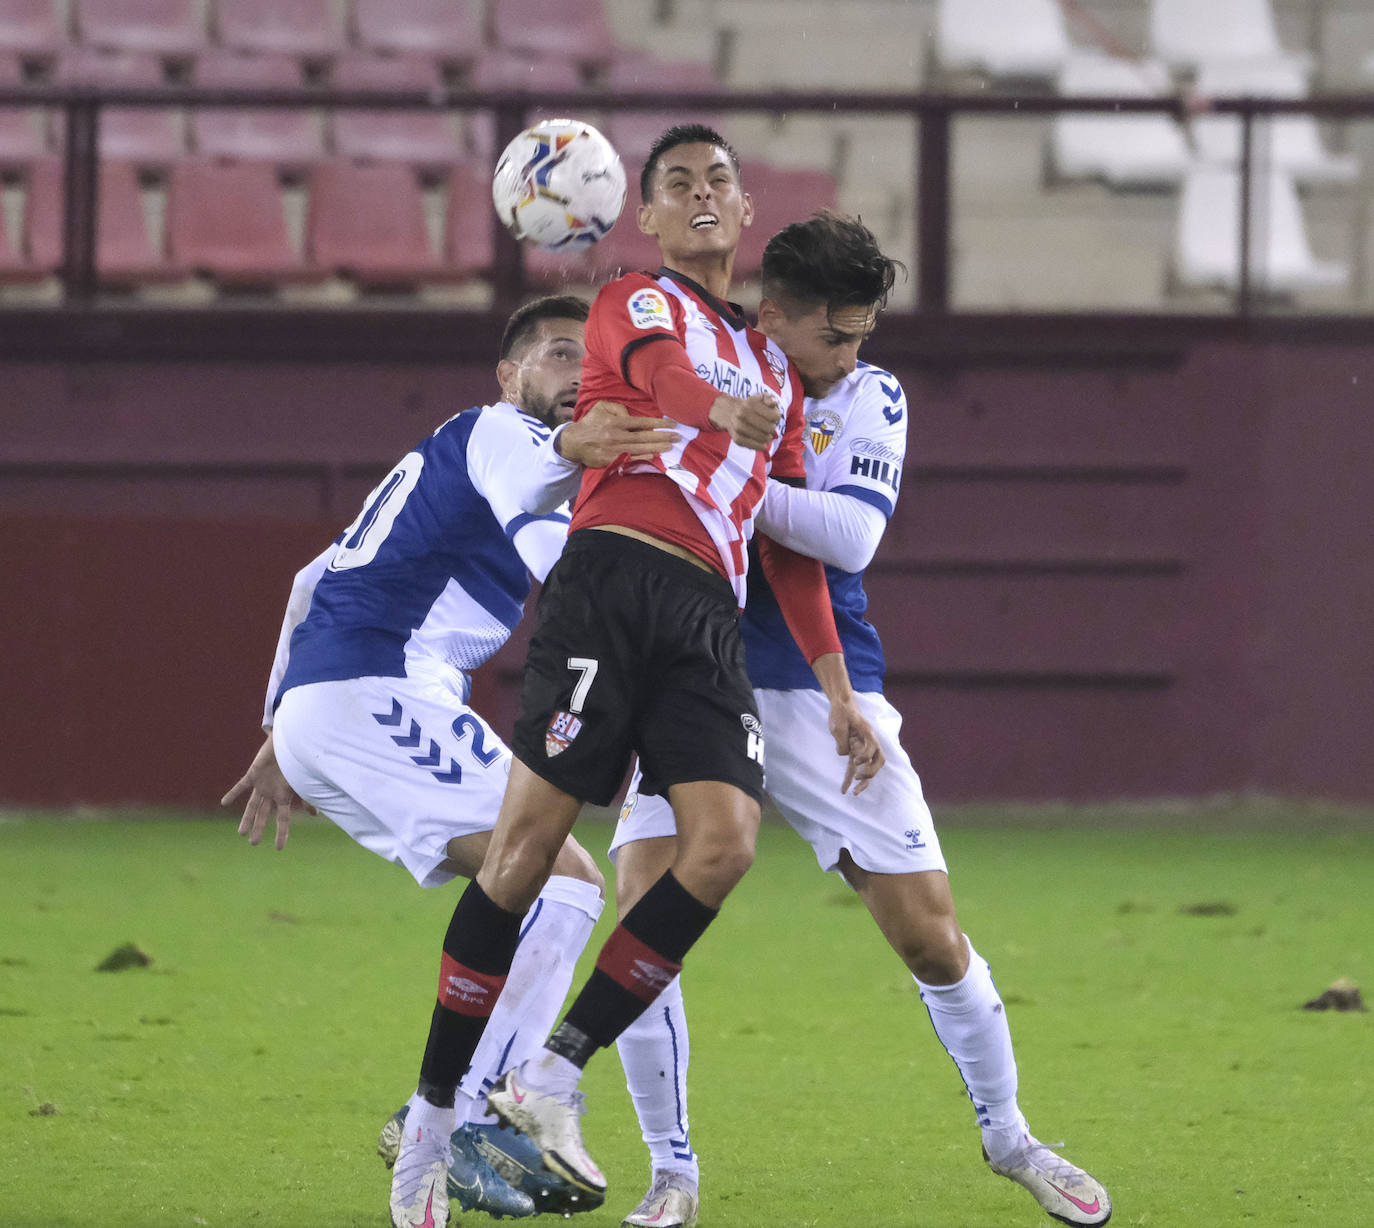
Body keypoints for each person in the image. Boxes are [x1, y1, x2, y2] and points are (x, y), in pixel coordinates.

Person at [386, 123, 886, 1228]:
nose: (700, 194)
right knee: (519, 858)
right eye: (676, 184)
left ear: (746, 209)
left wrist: (839, 686)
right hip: (610, 585)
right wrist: (718, 413)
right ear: (647, 215)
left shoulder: (776, 371)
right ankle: (427, 1124)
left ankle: (552, 1075)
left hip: (706, 614)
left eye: (718, 180)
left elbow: (785, 549)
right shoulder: (637, 303)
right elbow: (661, 374)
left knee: (724, 846)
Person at [606, 214, 1113, 1228]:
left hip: (821, 679)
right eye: (834, 336)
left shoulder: (872, 393)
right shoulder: (713, 363)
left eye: (863, 334)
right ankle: (671, 1170)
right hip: (686, 668)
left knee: (928, 934)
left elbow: (849, 540)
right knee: (644, 919)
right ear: (775, 314)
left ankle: (1010, 1134)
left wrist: (725, 481)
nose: (851, 356)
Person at [221, 295, 679, 1227]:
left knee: (545, 878)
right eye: (556, 355)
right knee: (563, 880)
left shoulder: (470, 453)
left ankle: (432, 1156)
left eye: (583, 361)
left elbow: (313, 580)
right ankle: (472, 1114)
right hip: (377, 686)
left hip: (343, 699)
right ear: (509, 376)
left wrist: (280, 729)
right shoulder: (499, 432)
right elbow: (553, 532)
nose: (572, 374)